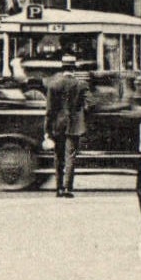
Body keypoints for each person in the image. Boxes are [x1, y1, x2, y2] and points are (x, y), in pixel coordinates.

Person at [41, 57, 90, 200]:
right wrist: (81, 110)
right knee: (70, 156)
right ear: (74, 69)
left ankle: (58, 188)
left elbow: (49, 110)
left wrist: (47, 130)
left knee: (58, 156)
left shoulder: (54, 85)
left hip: (58, 124)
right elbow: (90, 103)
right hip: (74, 125)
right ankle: (68, 188)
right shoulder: (81, 84)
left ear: (62, 69)